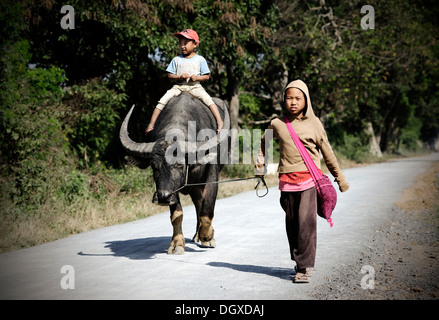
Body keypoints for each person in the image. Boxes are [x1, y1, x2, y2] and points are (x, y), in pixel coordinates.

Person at [255, 79, 350, 283]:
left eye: (298, 98)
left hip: (309, 182)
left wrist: (339, 178)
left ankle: (304, 267)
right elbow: (264, 143)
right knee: (293, 225)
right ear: (284, 100)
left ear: (306, 100)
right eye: (289, 98)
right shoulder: (277, 124)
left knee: (306, 223)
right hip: (286, 183)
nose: (293, 102)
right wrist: (260, 166)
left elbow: (328, 153)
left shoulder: (314, 124)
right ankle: (299, 262)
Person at [146, 29, 224, 134]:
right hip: (178, 87)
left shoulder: (200, 59)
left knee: (209, 102)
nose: (182, 46)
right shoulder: (176, 60)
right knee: (162, 102)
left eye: (185, 43)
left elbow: (206, 76)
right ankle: (151, 125)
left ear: (195, 44)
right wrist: (179, 77)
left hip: (195, 87)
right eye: (180, 43)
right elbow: (170, 75)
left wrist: (197, 78)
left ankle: (220, 122)